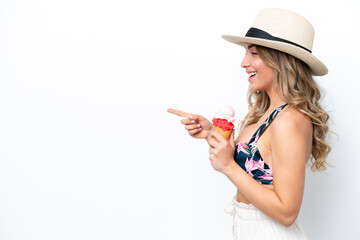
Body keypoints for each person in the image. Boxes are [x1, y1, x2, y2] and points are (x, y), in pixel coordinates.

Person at [168, 8, 331, 240]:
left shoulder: (289, 120)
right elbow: (256, 166)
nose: (244, 63)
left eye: (253, 53)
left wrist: (227, 166)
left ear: (281, 59)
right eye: (246, 53)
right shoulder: (268, 113)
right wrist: (211, 134)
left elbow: (287, 212)